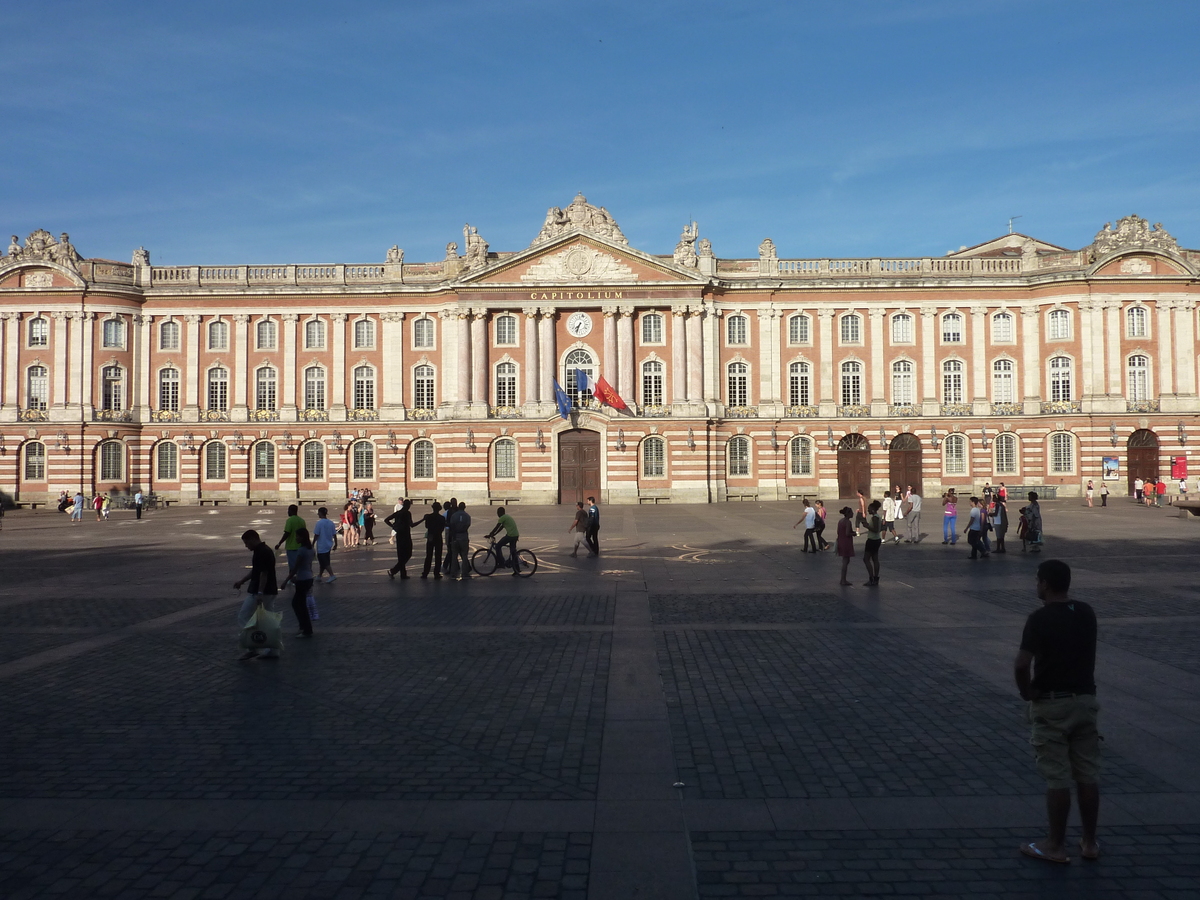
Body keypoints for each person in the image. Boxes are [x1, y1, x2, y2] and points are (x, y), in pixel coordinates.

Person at [1013, 559, 1100, 865]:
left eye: (1038, 580)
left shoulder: (1039, 618)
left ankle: (1055, 845)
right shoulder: (1086, 613)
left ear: (1046, 584)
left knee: (1058, 777)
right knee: (1087, 773)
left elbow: (1022, 663)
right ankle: (1089, 842)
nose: (1036, 585)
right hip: (1085, 699)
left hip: (1052, 703)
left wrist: (1027, 692)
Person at [232, 529, 280, 660]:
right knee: (269, 620)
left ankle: (252, 646)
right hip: (270, 590)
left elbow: (263, 573)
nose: (246, 546)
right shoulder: (264, 550)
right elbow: (257, 571)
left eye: (247, 543)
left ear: (253, 539)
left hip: (260, 591)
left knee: (244, 616)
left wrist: (259, 592)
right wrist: (242, 581)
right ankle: (273, 650)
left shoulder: (261, 552)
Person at [280, 527, 316, 638]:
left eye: (298, 536)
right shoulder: (311, 549)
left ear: (302, 537)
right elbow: (308, 566)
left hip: (303, 579)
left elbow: (295, 568)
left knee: (298, 604)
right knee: (300, 604)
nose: (296, 538)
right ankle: (304, 627)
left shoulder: (301, 550)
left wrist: (286, 581)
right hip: (308, 577)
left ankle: (305, 628)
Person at [384, 499, 416, 580]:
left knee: (401, 555)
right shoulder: (407, 513)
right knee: (408, 554)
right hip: (406, 535)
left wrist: (394, 527)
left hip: (399, 535)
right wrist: (422, 520)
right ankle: (393, 571)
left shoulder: (398, 513)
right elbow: (412, 525)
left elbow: (386, 520)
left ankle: (403, 574)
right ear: (408, 506)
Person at [487, 507, 522, 575]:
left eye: (498, 512)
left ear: (500, 512)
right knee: (513, 552)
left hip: (510, 535)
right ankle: (517, 570)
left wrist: (490, 534)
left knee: (498, 546)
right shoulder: (507, 517)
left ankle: (501, 563)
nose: (497, 514)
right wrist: (494, 534)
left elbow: (497, 527)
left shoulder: (502, 518)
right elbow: (501, 528)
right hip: (515, 535)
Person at [275, 505, 307, 572]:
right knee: (300, 565)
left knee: (292, 565)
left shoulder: (289, 521)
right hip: (301, 546)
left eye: (288, 510)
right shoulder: (302, 521)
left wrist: (279, 543)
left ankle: (292, 579)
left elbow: (287, 533)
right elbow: (304, 533)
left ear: (291, 511)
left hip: (291, 547)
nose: (288, 512)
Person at [312, 507, 338, 583]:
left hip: (321, 545)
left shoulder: (319, 523)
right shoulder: (331, 523)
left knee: (324, 562)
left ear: (320, 513)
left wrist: (312, 543)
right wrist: (336, 544)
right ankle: (319, 575)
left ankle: (332, 575)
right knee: (323, 561)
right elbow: (334, 534)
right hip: (328, 544)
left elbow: (316, 534)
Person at [419, 502, 445, 578]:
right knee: (438, 555)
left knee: (428, 556)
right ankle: (436, 573)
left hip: (430, 536)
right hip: (438, 536)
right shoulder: (442, 518)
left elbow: (427, 526)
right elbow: (442, 528)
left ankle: (425, 572)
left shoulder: (428, 517)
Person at [448, 502, 472, 579]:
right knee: (464, 556)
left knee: (454, 556)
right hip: (463, 536)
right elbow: (467, 525)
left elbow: (451, 526)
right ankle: (465, 572)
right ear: (464, 507)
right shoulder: (467, 516)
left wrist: (453, 536)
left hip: (455, 536)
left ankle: (453, 573)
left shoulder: (454, 515)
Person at [862, 500, 883, 586]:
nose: (868, 510)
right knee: (875, 559)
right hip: (877, 539)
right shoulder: (878, 517)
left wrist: (867, 526)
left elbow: (875, 529)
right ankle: (876, 578)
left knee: (866, 559)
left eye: (869, 509)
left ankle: (871, 578)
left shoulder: (875, 517)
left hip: (872, 540)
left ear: (873, 509)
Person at [835, 507, 855, 587]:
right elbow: (847, 533)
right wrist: (854, 534)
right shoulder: (848, 522)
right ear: (848, 514)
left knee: (845, 560)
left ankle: (843, 579)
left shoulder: (840, 521)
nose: (853, 514)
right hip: (846, 542)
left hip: (841, 541)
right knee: (845, 561)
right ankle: (843, 579)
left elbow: (838, 532)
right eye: (851, 512)